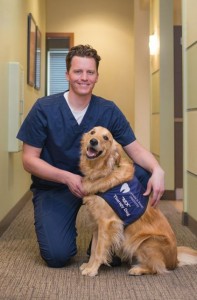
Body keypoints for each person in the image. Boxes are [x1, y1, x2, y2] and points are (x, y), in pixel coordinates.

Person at [17, 44, 164, 268]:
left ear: (96, 76)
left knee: (143, 173)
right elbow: (29, 159)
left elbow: (135, 149)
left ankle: (108, 244)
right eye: (78, 71)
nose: (84, 78)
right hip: (58, 186)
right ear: (67, 74)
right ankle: (96, 240)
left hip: (103, 186)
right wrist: (67, 177)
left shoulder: (108, 110)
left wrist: (158, 170)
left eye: (90, 72)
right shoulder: (44, 108)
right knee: (57, 255)